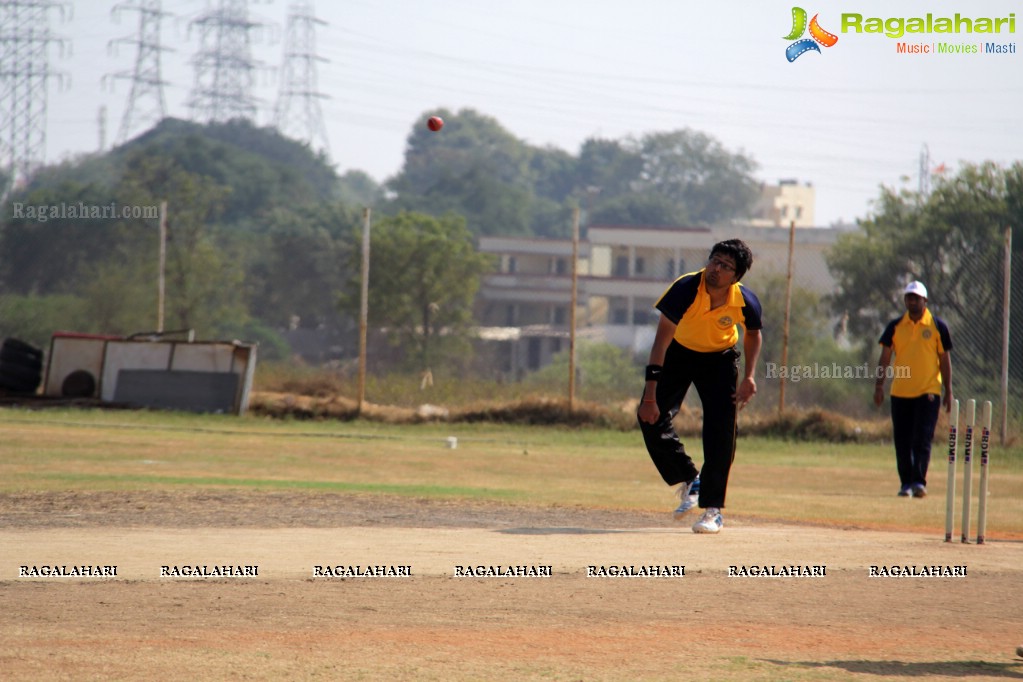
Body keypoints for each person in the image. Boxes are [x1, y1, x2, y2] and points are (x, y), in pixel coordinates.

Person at [637, 239, 763, 534]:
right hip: (678, 353)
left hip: (719, 361)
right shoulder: (685, 289)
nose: (715, 269)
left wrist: (749, 376)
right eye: (714, 260)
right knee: (649, 416)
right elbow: (661, 341)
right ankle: (688, 476)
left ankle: (713, 510)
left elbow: (753, 335)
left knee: (722, 432)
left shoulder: (745, 300)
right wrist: (650, 395)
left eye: (725, 266)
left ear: (736, 276)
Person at [873, 280, 953, 498]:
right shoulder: (895, 326)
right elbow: (885, 358)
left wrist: (948, 390)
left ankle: (919, 482)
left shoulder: (938, 326)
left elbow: (944, 360)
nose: (912, 301)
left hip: (928, 391)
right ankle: (905, 483)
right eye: (909, 297)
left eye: (916, 298)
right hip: (900, 392)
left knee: (922, 438)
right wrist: (879, 386)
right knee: (902, 441)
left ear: (925, 301)